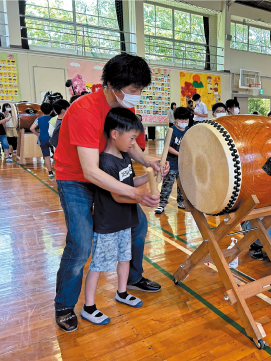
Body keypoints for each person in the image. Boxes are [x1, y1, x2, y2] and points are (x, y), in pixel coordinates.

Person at [53, 53, 169, 333]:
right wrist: (136, 194)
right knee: (81, 244)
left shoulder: (123, 110)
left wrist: (148, 162)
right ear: (112, 86)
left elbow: (131, 144)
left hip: (111, 173)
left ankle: (131, 278)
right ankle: (65, 305)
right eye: (133, 91)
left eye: (141, 90)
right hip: (76, 179)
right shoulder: (84, 110)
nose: (137, 96)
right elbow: (91, 172)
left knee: (137, 227)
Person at [82, 108, 147, 325]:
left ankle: (121, 292)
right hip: (108, 223)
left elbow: (130, 184)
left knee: (125, 258)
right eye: (131, 138)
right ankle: (88, 306)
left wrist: (149, 175)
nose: (133, 143)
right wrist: (142, 199)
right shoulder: (105, 163)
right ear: (114, 134)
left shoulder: (125, 156)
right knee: (98, 264)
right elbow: (119, 196)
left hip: (125, 220)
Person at [154, 107, 189, 215]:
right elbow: (167, 146)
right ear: (175, 119)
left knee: (182, 185)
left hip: (183, 165)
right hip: (172, 163)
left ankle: (181, 202)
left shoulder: (188, 131)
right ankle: (162, 204)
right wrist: (180, 154)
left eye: (185, 119)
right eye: (181, 119)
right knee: (167, 185)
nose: (183, 122)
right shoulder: (172, 130)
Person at [30, 102, 55, 178]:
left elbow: (32, 128)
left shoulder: (39, 119)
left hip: (42, 139)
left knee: (46, 156)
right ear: (51, 111)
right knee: (56, 155)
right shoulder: (53, 119)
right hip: (53, 139)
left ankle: (50, 172)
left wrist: (38, 134)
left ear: (42, 110)